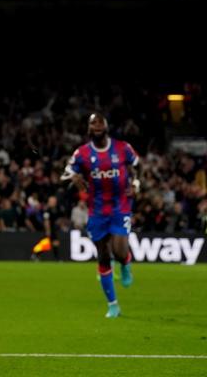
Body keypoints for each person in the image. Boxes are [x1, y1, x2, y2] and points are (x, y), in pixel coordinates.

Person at [62, 114, 140, 318]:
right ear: (88, 128)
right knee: (104, 257)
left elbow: (136, 167)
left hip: (120, 206)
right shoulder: (83, 153)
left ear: (106, 126)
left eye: (99, 123)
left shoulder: (123, 148)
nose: (96, 126)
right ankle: (113, 305)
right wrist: (73, 175)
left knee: (119, 250)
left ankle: (125, 262)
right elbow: (66, 170)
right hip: (96, 211)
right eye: (92, 123)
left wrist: (136, 184)